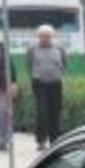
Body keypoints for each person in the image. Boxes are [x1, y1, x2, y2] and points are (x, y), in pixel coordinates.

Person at [27, 24, 66, 152]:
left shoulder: (59, 47)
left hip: (56, 83)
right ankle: (41, 140)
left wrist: (59, 74)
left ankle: (54, 139)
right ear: (38, 37)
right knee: (42, 112)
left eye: (47, 36)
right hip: (39, 84)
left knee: (55, 111)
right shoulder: (32, 48)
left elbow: (64, 64)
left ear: (51, 37)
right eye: (42, 36)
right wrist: (35, 75)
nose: (45, 39)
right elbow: (29, 64)